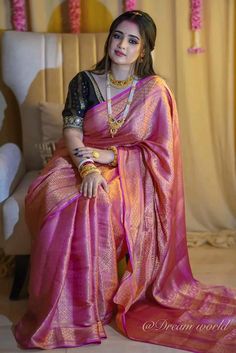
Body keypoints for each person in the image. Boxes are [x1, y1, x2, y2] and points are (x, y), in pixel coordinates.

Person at [13, 10, 236, 353]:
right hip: (76, 159)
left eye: (132, 41)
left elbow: (160, 151)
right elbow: (72, 131)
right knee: (60, 199)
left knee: (100, 201)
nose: (122, 45)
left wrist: (113, 158)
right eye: (118, 35)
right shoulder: (84, 80)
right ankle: (63, 309)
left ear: (143, 51)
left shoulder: (153, 90)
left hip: (128, 170)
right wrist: (87, 166)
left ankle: (94, 306)